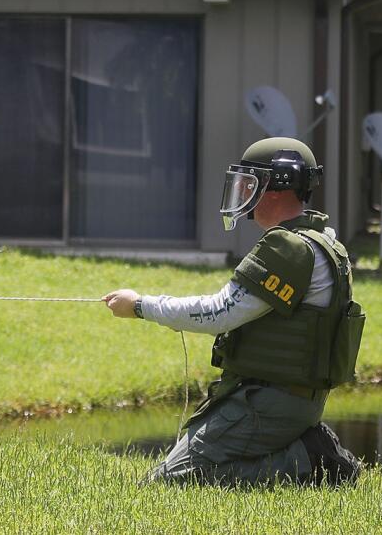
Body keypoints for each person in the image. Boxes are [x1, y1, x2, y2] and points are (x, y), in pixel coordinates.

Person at [101, 137, 365, 487]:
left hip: (270, 401)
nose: (243, 194)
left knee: (169, 483)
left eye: (250, 183)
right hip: (291, 400)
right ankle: (307, 451)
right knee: (185, 463)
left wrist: (139, 305)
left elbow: (220, 312)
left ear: (276, 187)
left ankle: (309, 461)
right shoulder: (324, 242)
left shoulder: (287, 248)